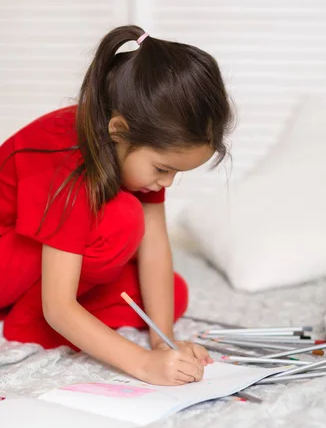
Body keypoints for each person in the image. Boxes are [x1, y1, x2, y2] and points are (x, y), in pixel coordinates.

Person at [0, 25, 233, 386]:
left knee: (172, 293)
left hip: (41, 264)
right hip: (9, 258)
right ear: (118, 130)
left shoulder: (132, 147)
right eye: (163, 169)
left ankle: (53, 317)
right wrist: (143, 364)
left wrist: (163, 340)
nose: (167, 182)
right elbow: (59, 305)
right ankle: (29, 322)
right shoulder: (67, 162)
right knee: (122, 218)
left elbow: (154, 246)